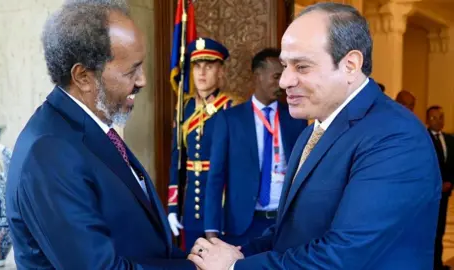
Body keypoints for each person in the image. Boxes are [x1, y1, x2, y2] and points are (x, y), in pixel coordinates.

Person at [187, 3, 441, 269]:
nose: (285, 81)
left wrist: (234, 267)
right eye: (285, 66)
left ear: (351, 65)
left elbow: (341, 256)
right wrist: (239, 253)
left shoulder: (395, 138)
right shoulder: (313, 130)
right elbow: (292, 232)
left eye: (302, 67)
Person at [5, 2, 194, 269]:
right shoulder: (49, 153)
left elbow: (141, 245)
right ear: (83, 76)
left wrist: (197, 259)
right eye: (131, 71)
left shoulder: (89, 129)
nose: (143, 81)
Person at [204, 48, 307, 246]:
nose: (282, 83)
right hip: (244, 224)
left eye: (283, 76)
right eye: (276, 76)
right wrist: (212, 231)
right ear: (258, 76)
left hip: (284, 223)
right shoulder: (230, 120)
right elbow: (216, 177)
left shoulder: (296, 118)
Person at [167, 37, 239, 251]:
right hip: (190, 207)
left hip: (221, 205)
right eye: (197, 66)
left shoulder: (230, 107)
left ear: (221, 72)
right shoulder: (184, 108)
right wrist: (173, 206)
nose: (202, 72)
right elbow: (176, 159)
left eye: (209, 66)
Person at [427, 105, 454, 270]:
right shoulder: (424, 138)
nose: (438, 121)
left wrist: (450, 181)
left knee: (440, 230)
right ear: (427, 120)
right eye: (434, 118)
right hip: (430, 195)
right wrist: (438, 184)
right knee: (428, 231)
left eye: (441, 117)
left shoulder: (450, 139)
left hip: (446, 194)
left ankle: (437, 264)